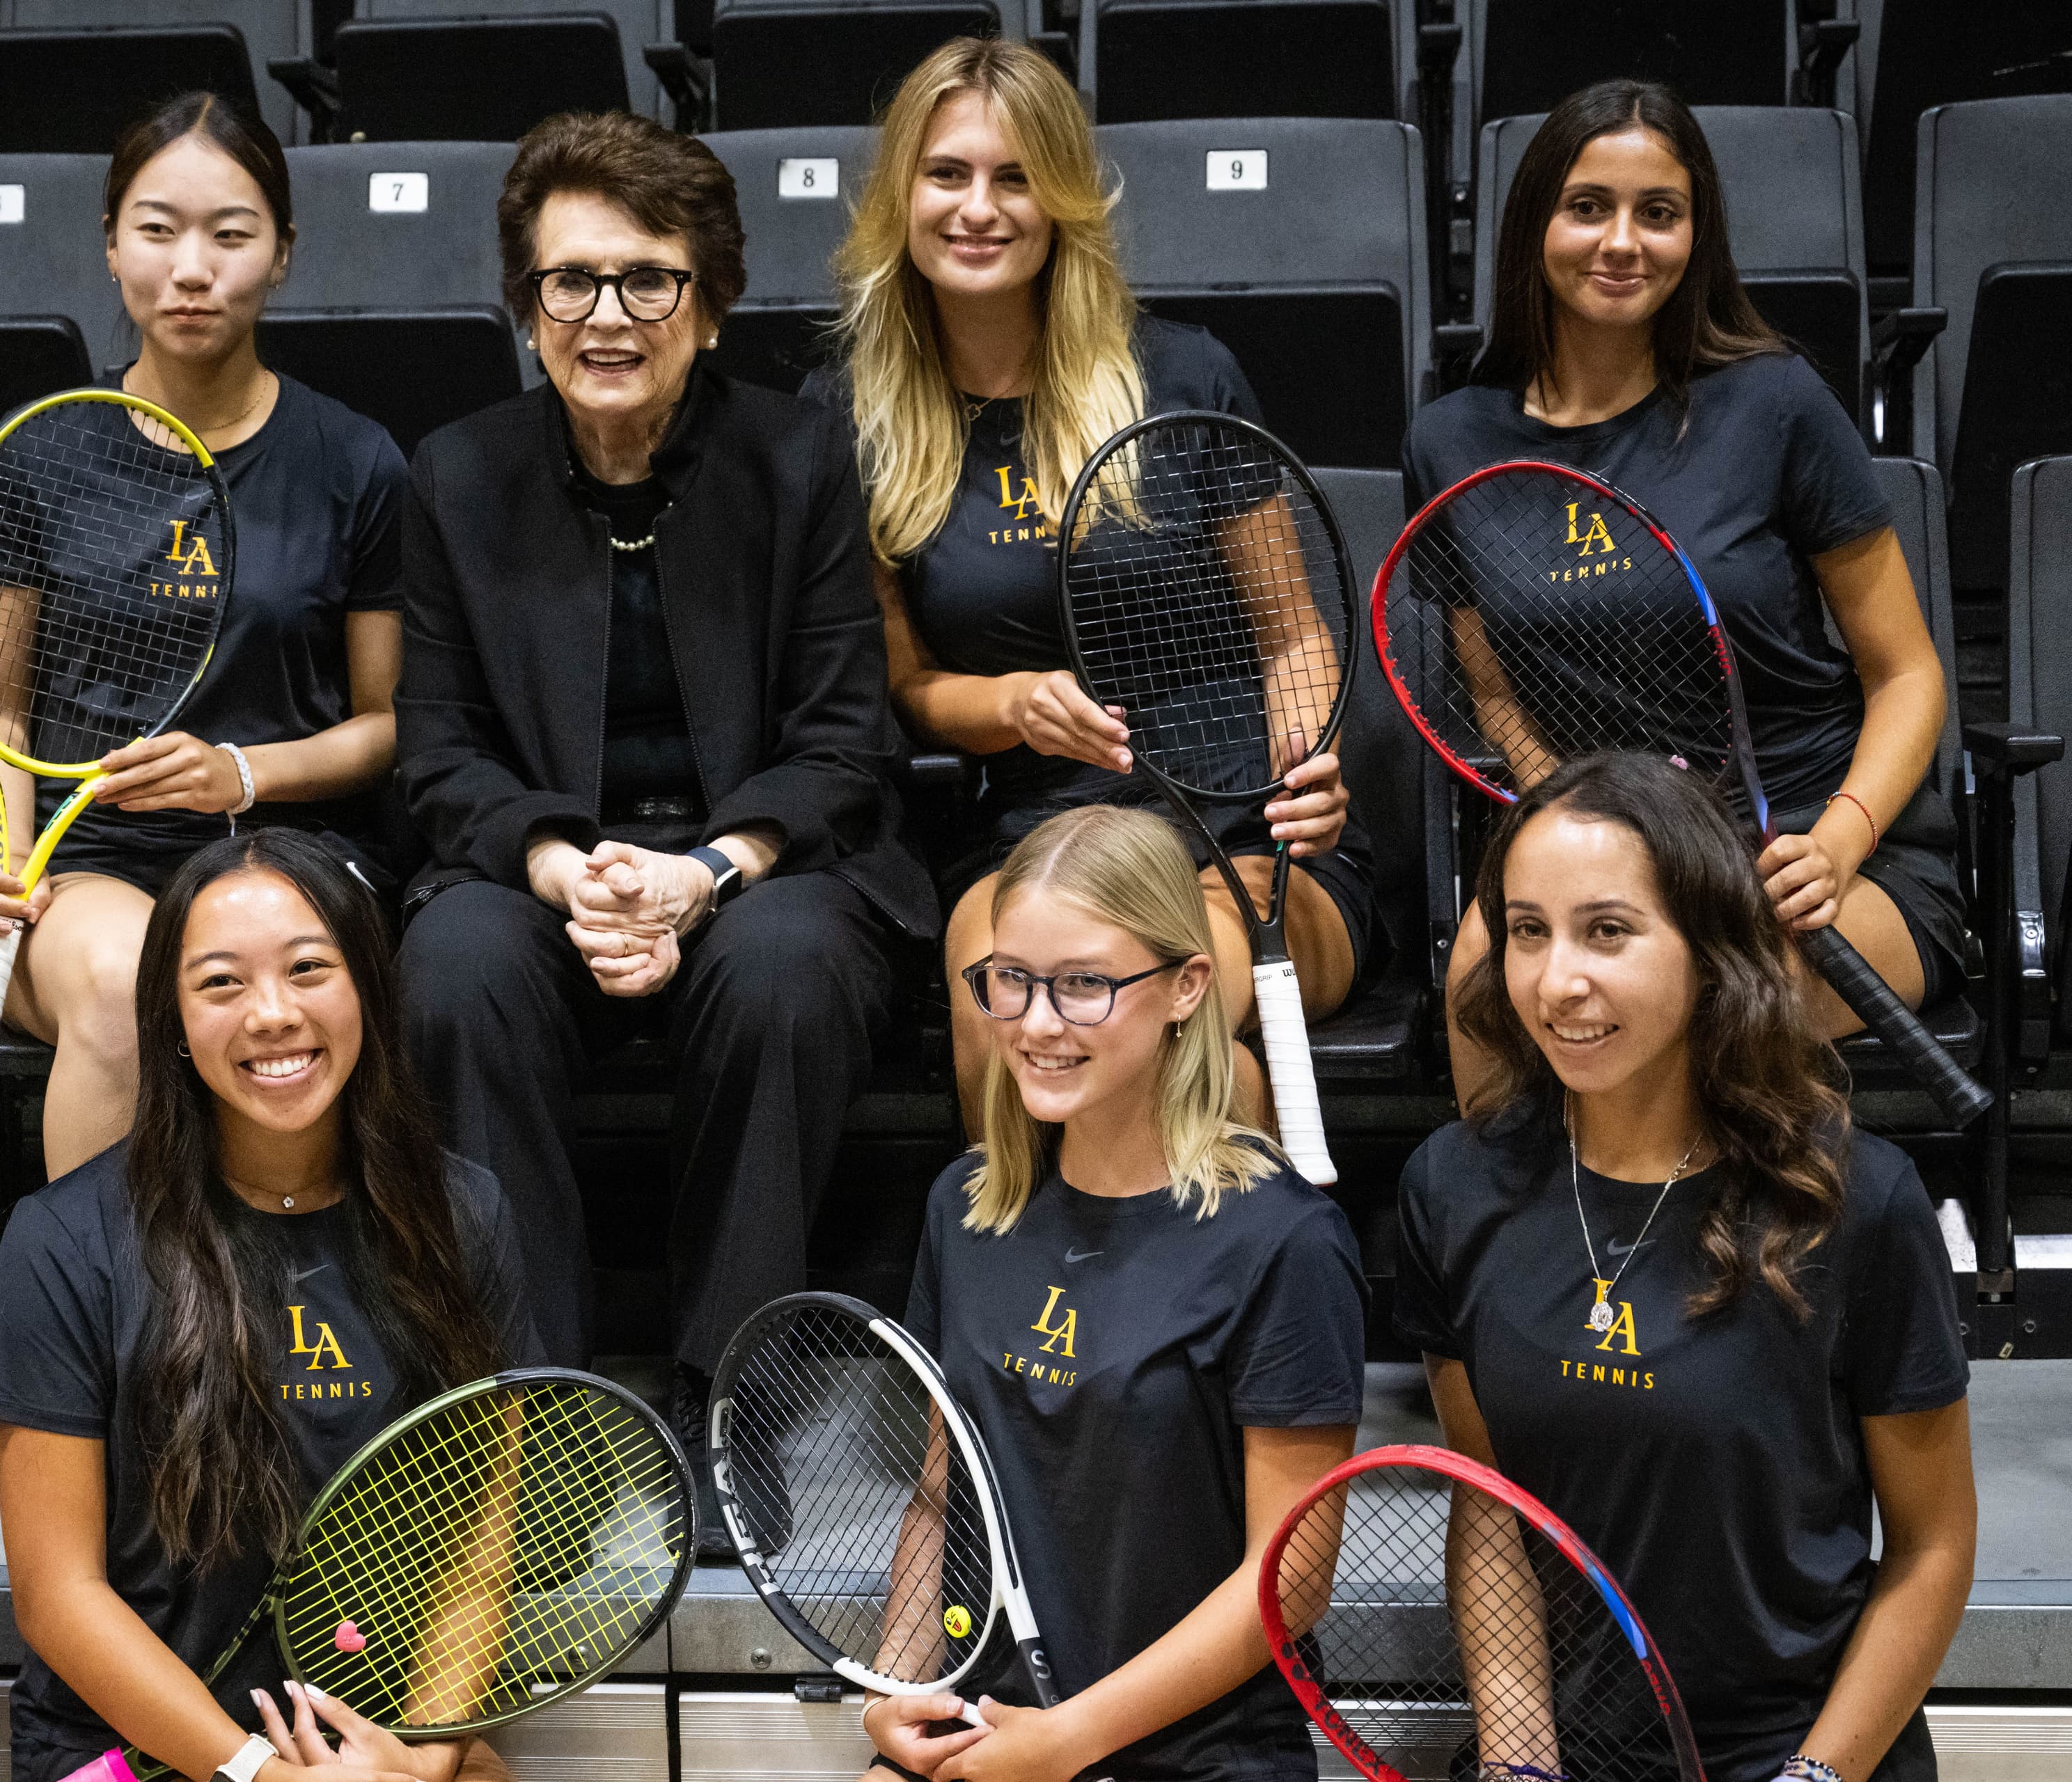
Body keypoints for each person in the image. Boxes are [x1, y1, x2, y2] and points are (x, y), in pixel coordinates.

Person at [392, 111, 935, 1428]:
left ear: (712, 302)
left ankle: (726, 1393)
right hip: (538, 863)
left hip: (767, 863)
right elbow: (439, 747)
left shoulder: (801, 459)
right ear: (527, 306)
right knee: (456, 968)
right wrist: (560, 864)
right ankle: (530, 1412)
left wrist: (705, 870)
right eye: (569, 280)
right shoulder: (456, 474)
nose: (607, 315)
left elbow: (843, 735)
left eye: (649, 278)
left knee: (784, 966)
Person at [813, 38, 1374, 1130]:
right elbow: (911, 686)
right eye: (949, 175)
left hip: (1230, 828)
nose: (981, 208)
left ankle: (1232, 1275)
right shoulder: (851, 419)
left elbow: (1293, 635)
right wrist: (1016, 703)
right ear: (901, 198)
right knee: (1001, 1018)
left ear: (1062, 199)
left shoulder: (1184, 374)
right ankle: (1035, 1298)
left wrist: (1305, 764)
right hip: (1031, 827)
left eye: (1015, 177)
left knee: (1137, 1010)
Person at [1395, 751, 1976, 1782]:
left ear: (1710, 949)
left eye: (1607, 931)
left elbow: (1931, 1551)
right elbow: (1491, 1499)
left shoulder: (1859, 1202)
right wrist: (1523, 1760)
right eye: (1527, 930)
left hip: (1799, 1760)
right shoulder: (1453, 1188)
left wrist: (1813, 1778)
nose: (1557, 979)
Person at [1411, 79, 1962, 1105]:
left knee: (1682, 1003)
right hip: (1606, 856)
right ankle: (1528, 1259)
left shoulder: (1775, 401)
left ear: (1695, 237)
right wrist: (1568, 824)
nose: (1622, 241)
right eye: (1588, 207)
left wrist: (1839, 842)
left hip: (1810, 848)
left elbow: (1909, 671)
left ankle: (1712, 1265)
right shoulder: (1453, 441)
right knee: (1483, 987)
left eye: (1657, 213)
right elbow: (1491, 691)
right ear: (1535, 223)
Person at [0, 827, 537, 1782]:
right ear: (174, 1025)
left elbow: (484, 1542)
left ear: (369, 988)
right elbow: (58, 1597)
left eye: (310, 969)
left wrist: (421, 1761)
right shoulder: (63, 1240)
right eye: (221, 983)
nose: (272, 1014)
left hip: (374, 1743)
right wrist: (255, 1775)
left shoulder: (463, 1214)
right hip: (142, 1751)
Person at [0, 92, 409, 1178]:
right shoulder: (33, 458)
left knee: (272, 989)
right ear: (112, 248)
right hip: (89, 860)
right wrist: (6, 860)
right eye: (156, 230)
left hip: (294, 852)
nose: (191, 268)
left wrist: (238, 775)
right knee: (126, 981)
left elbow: (388, 724)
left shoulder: (357, 462)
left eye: (231, 234)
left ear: (284, 254)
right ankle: (105, 1326)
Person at [864, 805, 1363, 1782]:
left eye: (1085, 985)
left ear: (1187, 987)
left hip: (1197, 1760)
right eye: (1011, 981)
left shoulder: (1288, 1243)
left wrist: (1070, 1741)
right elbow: (939, 1499)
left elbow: (1288, 1584)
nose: (1038, 1024)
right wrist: (894, 1702)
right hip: (993, 1745)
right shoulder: (965, 1210)